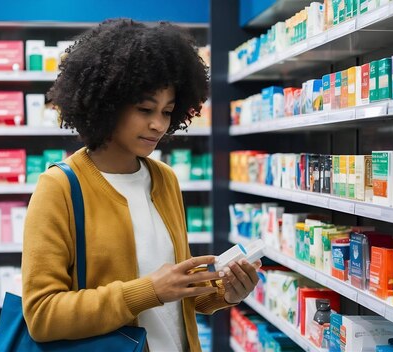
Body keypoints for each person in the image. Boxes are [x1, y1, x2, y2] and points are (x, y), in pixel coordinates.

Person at [22, 19, 261, 352]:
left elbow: (179, 296)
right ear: (107, 101)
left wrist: (225, 292)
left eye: (167, 111)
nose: (158, 124)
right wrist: (148, 290)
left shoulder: (165, 179)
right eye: (145, 109)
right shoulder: (59, 187)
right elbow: (42, 315)